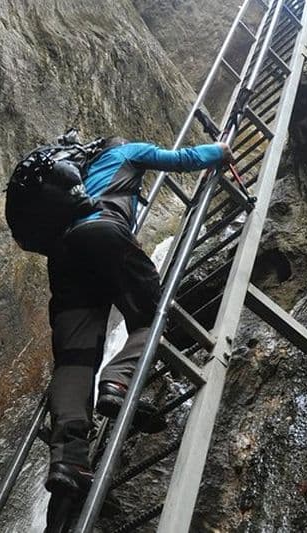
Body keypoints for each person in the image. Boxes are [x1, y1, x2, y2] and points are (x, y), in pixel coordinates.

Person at [44, 136, 233, 494]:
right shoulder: (125, 151)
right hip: (104, 232)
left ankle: (68, 460)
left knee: (74, 360)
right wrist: (219, 152)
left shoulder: (75, 176)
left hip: (64, 258)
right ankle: (117, 380)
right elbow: (182, 159)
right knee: (153, 317)